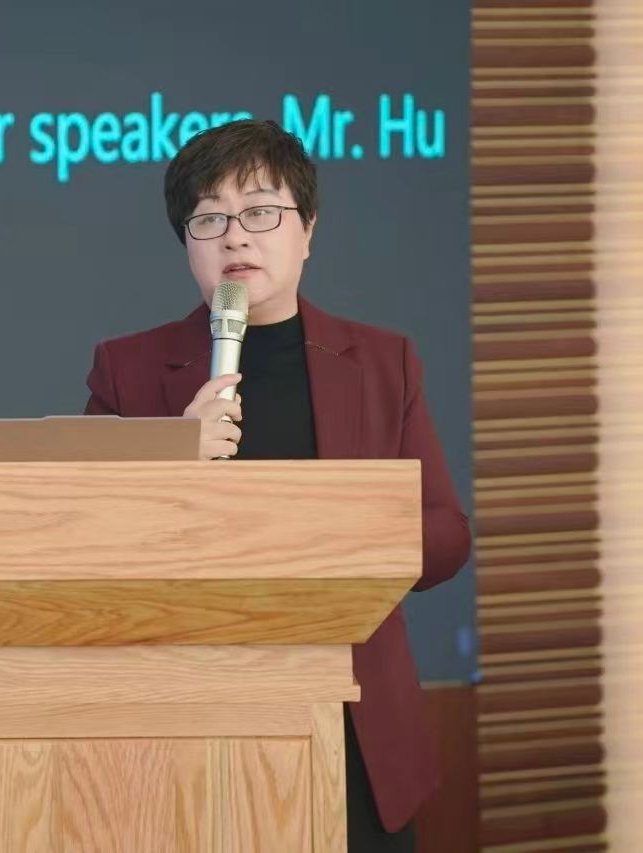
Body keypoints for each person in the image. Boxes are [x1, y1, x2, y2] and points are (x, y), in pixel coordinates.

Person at [83, 119, 472, 851]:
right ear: (187, 243)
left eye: (260, 211)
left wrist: (345, 531)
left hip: (351, 725)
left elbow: (447, 536)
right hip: (189, 727)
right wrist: (169, 458)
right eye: (209, 218)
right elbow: (81, 544)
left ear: (308, 229)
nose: (236, 237)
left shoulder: (382, 362)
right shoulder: (127, 369)